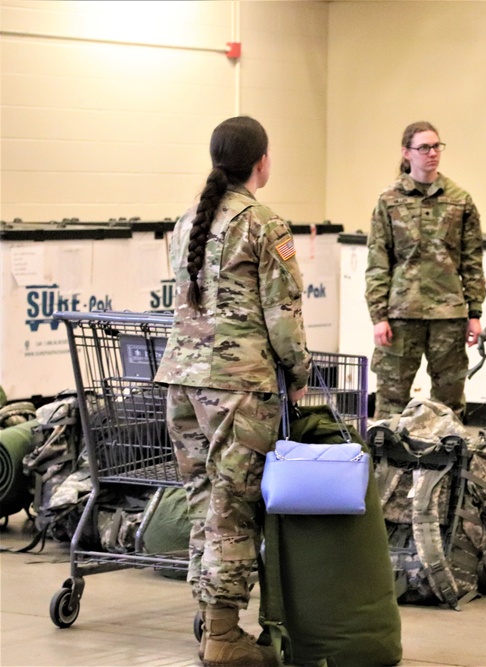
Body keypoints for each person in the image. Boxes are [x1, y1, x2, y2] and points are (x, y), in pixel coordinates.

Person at [155, 116, 311, 665]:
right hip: (238, 388)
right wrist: (300, 376)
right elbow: (284, 317)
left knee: (204, 505)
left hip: (182, 383)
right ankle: (223, 635)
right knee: (233, 512)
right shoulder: (264, 224)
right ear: (261, 162)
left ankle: (208, 620)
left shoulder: (185, 221)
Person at [365, 121, 486, 420]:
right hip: (401, 314)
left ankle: (447, 464)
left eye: (436, 146)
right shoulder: (389, 200)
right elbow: (378, 261)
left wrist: (475, 314)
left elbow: (472, 261)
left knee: (449, 400)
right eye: (424, 148)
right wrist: (378, 317)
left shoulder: (460, 200)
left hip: (448, 315)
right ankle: (386, 466)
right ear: (407, 153)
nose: (432, 153)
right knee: (391, 399)